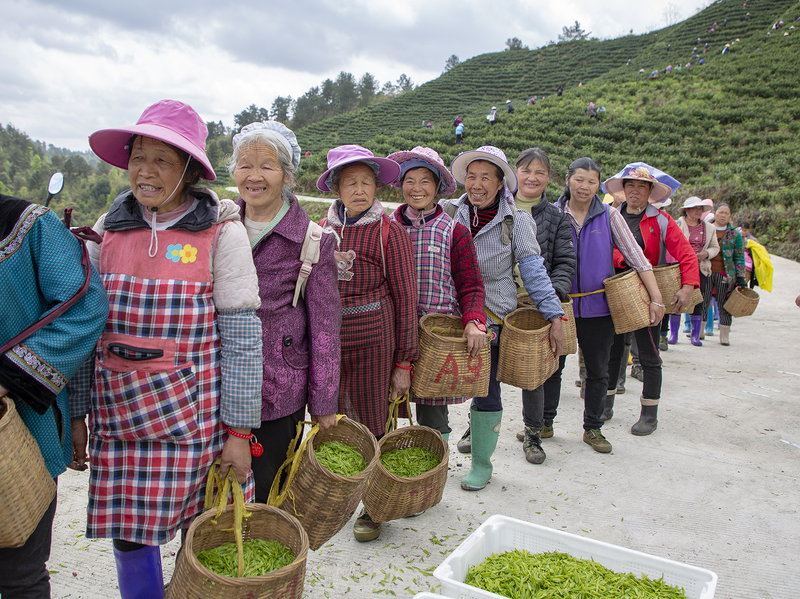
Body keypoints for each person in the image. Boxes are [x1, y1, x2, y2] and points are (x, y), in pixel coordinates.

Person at [70, 100, 264, 598]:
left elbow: (243, 339)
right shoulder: (107, 228)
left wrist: (239, 432)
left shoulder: (222, 231)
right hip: (120, 426)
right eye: (139, 156)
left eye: (162, 159)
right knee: (130, 540)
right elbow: (78, 328)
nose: (146, 171)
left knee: (206, 540)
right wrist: (75, 414)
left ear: (188, 170)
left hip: (197, 426)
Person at [0, 196, 108, 598]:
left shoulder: (25, 224)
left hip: (17, 435)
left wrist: (7, 377)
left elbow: (84, 307)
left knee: (16, 577)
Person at [229, 121, 341, 504]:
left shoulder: (314, 240)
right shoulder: (217, 228)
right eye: (245, 165)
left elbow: (325, 328)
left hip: (278, 389)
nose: (254, 176)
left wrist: (324, 403)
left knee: (265, 494)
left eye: (268, 166)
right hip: (216, 382)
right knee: (213, 494)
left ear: (288, 175)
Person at [445, 146, 564, 490]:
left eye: (486, 177)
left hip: (492, 315)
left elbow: (533, 269)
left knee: (486, 388)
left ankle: (481, 464)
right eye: (471, 176)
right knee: (444, 387)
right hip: (451, 315)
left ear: (500, 185)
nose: (477, 184)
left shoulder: (517, 221)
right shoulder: (450, 212)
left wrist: (554, 314)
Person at [316, 145, 418, 542]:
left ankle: (375, 507)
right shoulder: (322, 231)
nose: (359, 190)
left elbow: (407, 297)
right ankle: (343, 494)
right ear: (336, 190)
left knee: (375, 422)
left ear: (376, 186)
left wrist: (405, 362)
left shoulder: (388, 230)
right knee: (335, 424)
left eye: (366, 182)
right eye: (349, 183)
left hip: (376, 342)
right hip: (331, 342)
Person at [556, 158, 664, 452]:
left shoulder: (609, 215)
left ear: (598, 186)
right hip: (560, 307)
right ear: (568, 180)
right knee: (552, 366)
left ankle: (593, 427)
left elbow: (637, 257)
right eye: (579, 179)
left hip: (597, 308)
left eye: (592, 181)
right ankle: (543, 422)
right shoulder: (553, 214)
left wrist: (656, 298)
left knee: (598, 370)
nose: (585, 186)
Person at [385, 146, 486, 440]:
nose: (417, 188)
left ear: (438, 186)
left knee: (432, 422)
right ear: (400, 185)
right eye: (409, 180)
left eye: (425, 180)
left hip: (436, 339)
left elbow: (471, 284)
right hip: (394, 335)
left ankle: (432, 474)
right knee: (385, 410)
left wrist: (473, 320)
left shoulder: (453, 230)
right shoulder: (386, 227)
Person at [602, 165, 699, 436]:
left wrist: (688, 286)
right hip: (614, 290)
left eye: (641, 186)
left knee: (648, 354)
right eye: (630, 185)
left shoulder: (662, 220)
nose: (635, 190)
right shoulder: (609, 216)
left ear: (650, 191)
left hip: (647, 291)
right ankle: (605, 406)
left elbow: (687, 254)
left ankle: (649, 414)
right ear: (623, 189)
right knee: (612, 350)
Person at [512, 148, 575, 464]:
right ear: (515, 173)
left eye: (539, 172)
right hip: (498, 301)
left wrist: (551, 296)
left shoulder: (558, 218)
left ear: (548, 178)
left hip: (537, 306)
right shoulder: (496, 208)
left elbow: (565, 263)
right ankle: (475, 427)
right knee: (482, 366)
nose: (532, 177)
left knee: (534, 373)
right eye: (526, 170)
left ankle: (533, 434)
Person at [673, 197, 720, 345]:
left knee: (699, 300)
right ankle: (673, 334)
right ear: (687, 210)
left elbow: (715, 247)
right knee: (676, 298)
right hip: (681, 267)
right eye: (695, 208)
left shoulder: (709, 228)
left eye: (700, 209)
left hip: (701, 267)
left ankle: (695, 335)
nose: (698, 211)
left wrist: (705, 254)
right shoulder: (677, 225)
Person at [708, 203, 746, 346]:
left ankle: (724, 336)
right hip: (706, 271)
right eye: (720, 212)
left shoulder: (734, 234)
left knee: (724, 305)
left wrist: (741, 277)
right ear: (715, 213)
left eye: (726, 213)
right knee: (703, 302)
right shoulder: (706, 228)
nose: (723, 215)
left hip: (725, 274)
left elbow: (739, 256)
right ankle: (698, 333)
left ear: (730, 216)